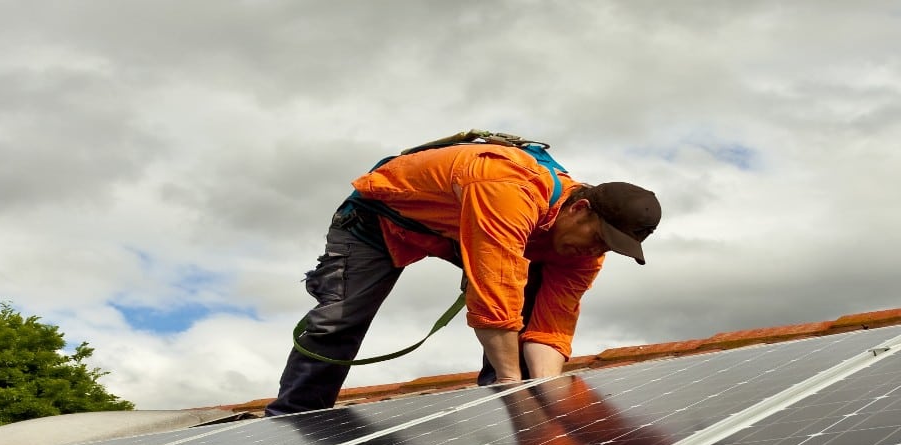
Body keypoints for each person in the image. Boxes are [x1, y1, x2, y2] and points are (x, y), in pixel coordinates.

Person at [264, 137, 661, 416]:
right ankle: (294, 420)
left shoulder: (583, 252)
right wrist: (512, 384)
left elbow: (551, 327)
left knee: (529, 339)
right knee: (339, 321)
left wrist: (546, 395)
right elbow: (495, 292)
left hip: (457, 230)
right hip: (377, 223)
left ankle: (513, 420)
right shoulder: (508, 190)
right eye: (598, 239)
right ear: (579, 209)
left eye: (609, 248)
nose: (596, 252)